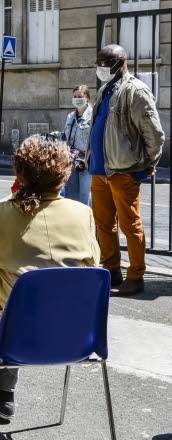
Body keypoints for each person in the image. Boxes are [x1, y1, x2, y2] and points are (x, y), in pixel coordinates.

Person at [0, 134, 100, 420]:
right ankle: (4, 395)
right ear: (64, 176)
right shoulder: (84, 215)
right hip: (77, 334)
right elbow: (92, 269)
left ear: (18, 173)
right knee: (18, 302)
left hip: (18, 335)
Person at [86, 44, 165, 296]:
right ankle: (111, 270)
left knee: (130, 225)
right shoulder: (103, 90)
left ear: (120, 63)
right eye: (98, 62)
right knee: (104, 224)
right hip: (99, 171)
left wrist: (148, 163)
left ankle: (136, 275)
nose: (100, 67)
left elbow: (155, 134)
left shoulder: (136, 91)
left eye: (105, 62)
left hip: (124, 171)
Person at [58, 85, 93, 205]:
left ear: (87, 97)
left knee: (85, 198)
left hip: (86, 164)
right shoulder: (70, 117)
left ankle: (88, 223)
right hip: (71, 162)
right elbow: (66, 137)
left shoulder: (93, 116)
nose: (77, 99)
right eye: (75, 96)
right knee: (71, 198)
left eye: (80, 96)